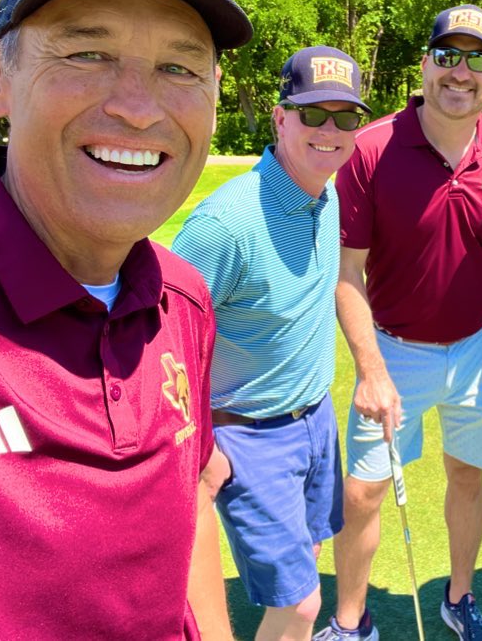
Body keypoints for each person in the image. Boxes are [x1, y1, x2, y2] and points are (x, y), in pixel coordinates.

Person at [0, 0, 253, 639]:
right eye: (87, 52)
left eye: (179, 66)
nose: (136, 106)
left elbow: (188, 505)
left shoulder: (183, 300)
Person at [313, 5, 482, 641]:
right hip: (394, 350)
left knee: (467, 473)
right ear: (426, 63)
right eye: (447, 55)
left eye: (477, 58)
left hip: (479, 346)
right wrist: (371, 371)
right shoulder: (372, 147)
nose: (460, 72)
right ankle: (351, 622)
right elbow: (346, 274)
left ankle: (459, 600)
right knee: (363, 494)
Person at [173, 46, 370, 641]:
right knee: (302, 604)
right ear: (281, 117)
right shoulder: (225, 224)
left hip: (314, 420)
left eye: (345, 117)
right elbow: (159, 337)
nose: (329, 131)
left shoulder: (326, 193)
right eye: (313, 114)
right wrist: (201, 444)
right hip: (247, 433)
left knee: (308, 561)